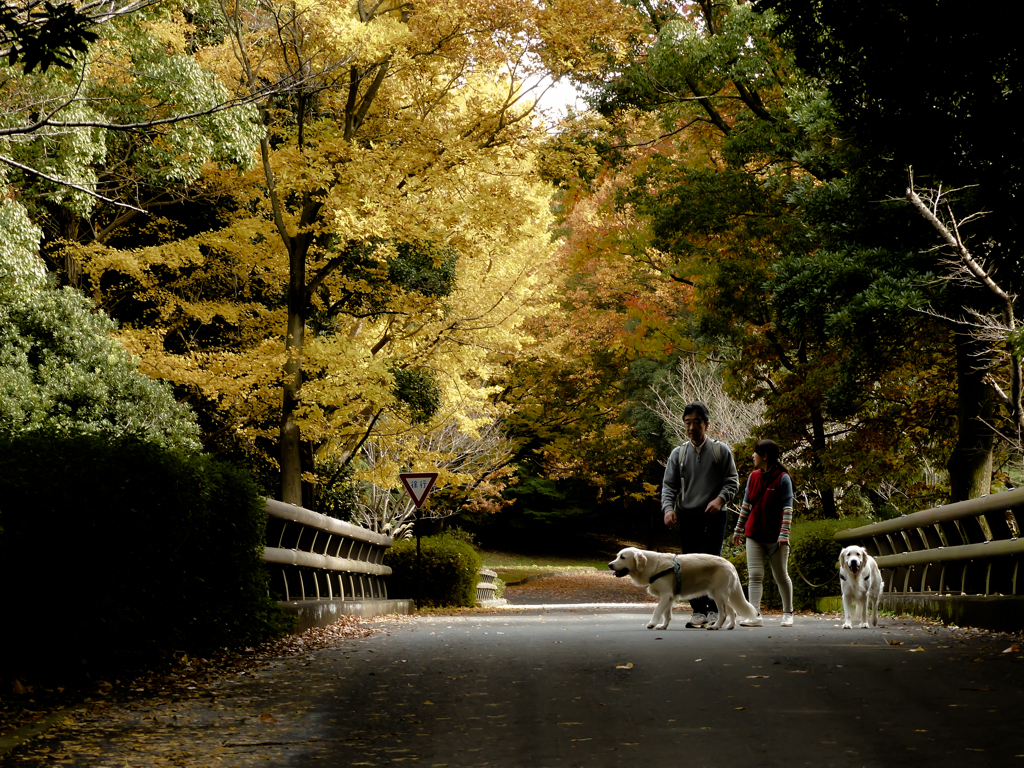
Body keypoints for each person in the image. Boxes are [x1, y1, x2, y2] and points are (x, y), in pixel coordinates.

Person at [661, 401, 739, 628]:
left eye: (697, 422)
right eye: (688, 423)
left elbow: (732, 481)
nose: (692, 427)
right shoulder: (679, 454)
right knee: (689, 564)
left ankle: (715, 610)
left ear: (707, 424)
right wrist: (668, 509)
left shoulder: (720, 451)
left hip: (715, 515)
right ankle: (698, 612)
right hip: (688, 515)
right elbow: (669, 486)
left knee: (712, 562)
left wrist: (720, 499)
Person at [731, 439, 795, 627]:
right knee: (755, 576)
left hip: (776, 538)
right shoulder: (753, 477)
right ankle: (755, 615)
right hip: (754, 535)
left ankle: (788, 613)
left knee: (781, 575)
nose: (752, 456)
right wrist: (738, 530)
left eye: (755, 453)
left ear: (764, 456)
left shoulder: (783, 478)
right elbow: (746, 506)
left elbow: (788, 508)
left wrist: (784, 533)